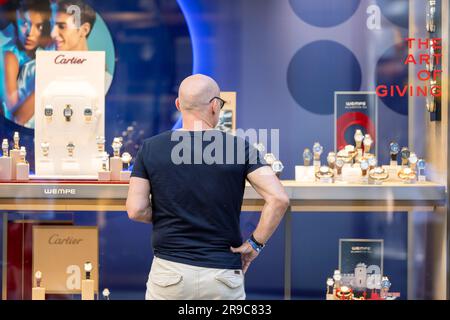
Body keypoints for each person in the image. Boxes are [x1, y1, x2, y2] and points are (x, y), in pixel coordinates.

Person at [126, 74, 289, 300]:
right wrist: (255, 245)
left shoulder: (151, 148)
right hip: (222, 275)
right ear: (214, 105)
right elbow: (279, 199)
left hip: (169, 275)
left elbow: (136, 210)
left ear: (178, 104)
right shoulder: (239, 147)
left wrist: (170, 213)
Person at [1, 0, 51, 127]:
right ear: (16, 23)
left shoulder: (46, 50)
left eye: (38, 26)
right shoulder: (9, 56)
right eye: (24, 24)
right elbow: (15, 117)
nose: (30, 33)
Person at [51, 0, 112, 89]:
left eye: (62, 26)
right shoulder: (40, 73)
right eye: (51, 26)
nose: (53, 34)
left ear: (84, 30)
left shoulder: (105, 81)